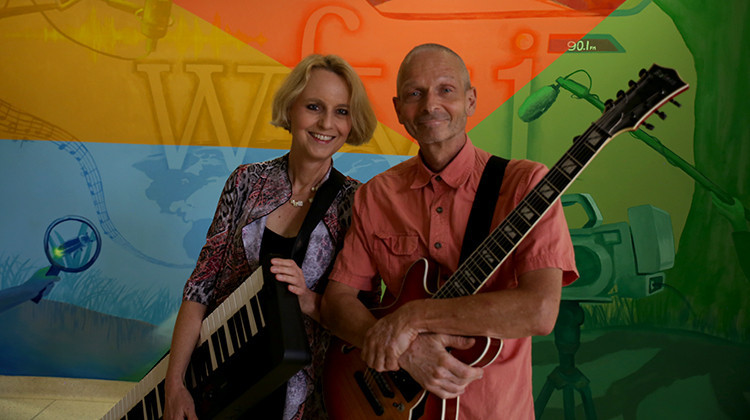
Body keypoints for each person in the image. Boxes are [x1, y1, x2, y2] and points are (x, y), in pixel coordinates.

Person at [320, 43, 578, 419]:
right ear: (398, 110)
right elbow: (337, 302)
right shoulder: (376, 195)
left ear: (471, 101)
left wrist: (413, 318)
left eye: (446, 90)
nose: (429, 105)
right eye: (414, 93)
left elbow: (539, 310)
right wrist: (405, 351)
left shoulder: (526, 186)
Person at [163, 54, 377, 420]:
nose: (327, 123)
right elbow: (199, 288)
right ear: (291, 107)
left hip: (302, 397)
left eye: (341, 111)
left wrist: (308, 298)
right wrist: (175, 385)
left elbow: (360, 318)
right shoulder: (245, 181)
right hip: (221, 374)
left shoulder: (357, 204)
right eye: (314, 106)